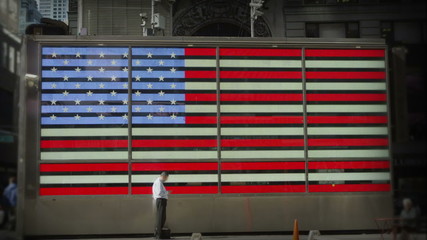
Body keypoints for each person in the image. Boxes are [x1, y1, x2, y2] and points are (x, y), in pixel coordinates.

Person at [152, 172, 170, 239]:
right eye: (166, 178)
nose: (166, 179)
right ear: (164, 176)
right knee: (161, 217)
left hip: (161, 200)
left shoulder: (158, 182)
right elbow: (159, 192)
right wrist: (167, 192)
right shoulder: (159, 182)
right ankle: (158, 234)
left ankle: (158, 233)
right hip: (161, 200)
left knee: (162, 217)